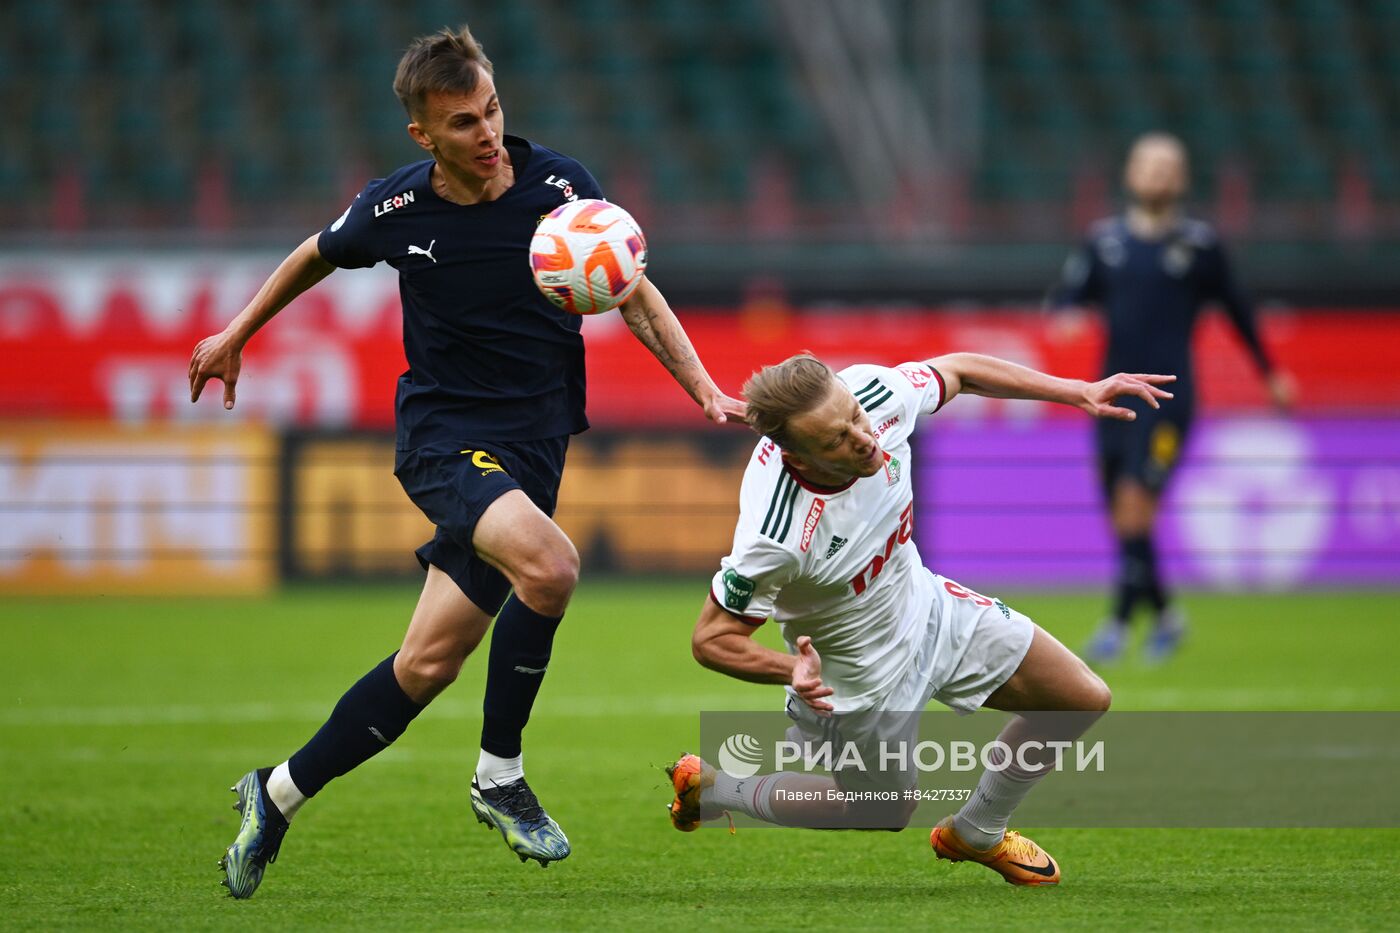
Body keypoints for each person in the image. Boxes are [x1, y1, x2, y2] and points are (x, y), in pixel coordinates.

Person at [189, 25, 743, 898]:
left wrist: (702, 385)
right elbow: (315, 255)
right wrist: (235, 333)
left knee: (426, 663)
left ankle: (278, 792)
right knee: (552, 567)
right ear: (422, 134)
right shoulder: (398, 210)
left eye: (489, 111)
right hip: (445, 440)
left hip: (537, 443)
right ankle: (499, 773)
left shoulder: (564, 191)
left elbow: (632, 288)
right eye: (460, 123)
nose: (485, 134)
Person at [666, 352, 1174, 886]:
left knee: (1079, 699)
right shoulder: (776, 536)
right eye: (835, 441)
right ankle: (721, 791)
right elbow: (712, 639)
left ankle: (977, 830)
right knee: (881, 812)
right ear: (796, 455)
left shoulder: (876, 397)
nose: (862, 439)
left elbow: (960, 370)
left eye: (855, 419)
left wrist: (1074, 391)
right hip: (859, 678)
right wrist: (786, 669)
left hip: (929, 607)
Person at [1049, 132, 1292, 664]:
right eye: (1147, 165)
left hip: (1167, 401)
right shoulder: (1104, 242)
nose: (1157, 175)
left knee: (1137, 505)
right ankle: (1164, 616)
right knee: (1123, 515)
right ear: (1130, 175)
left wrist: (1270, 373)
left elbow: (1239, 311)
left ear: (1181, 179)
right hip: (1109, 398)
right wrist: (1065, 314)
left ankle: (1115, 624)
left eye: (1167, 167)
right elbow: (1068, 294)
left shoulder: (1200, 247)